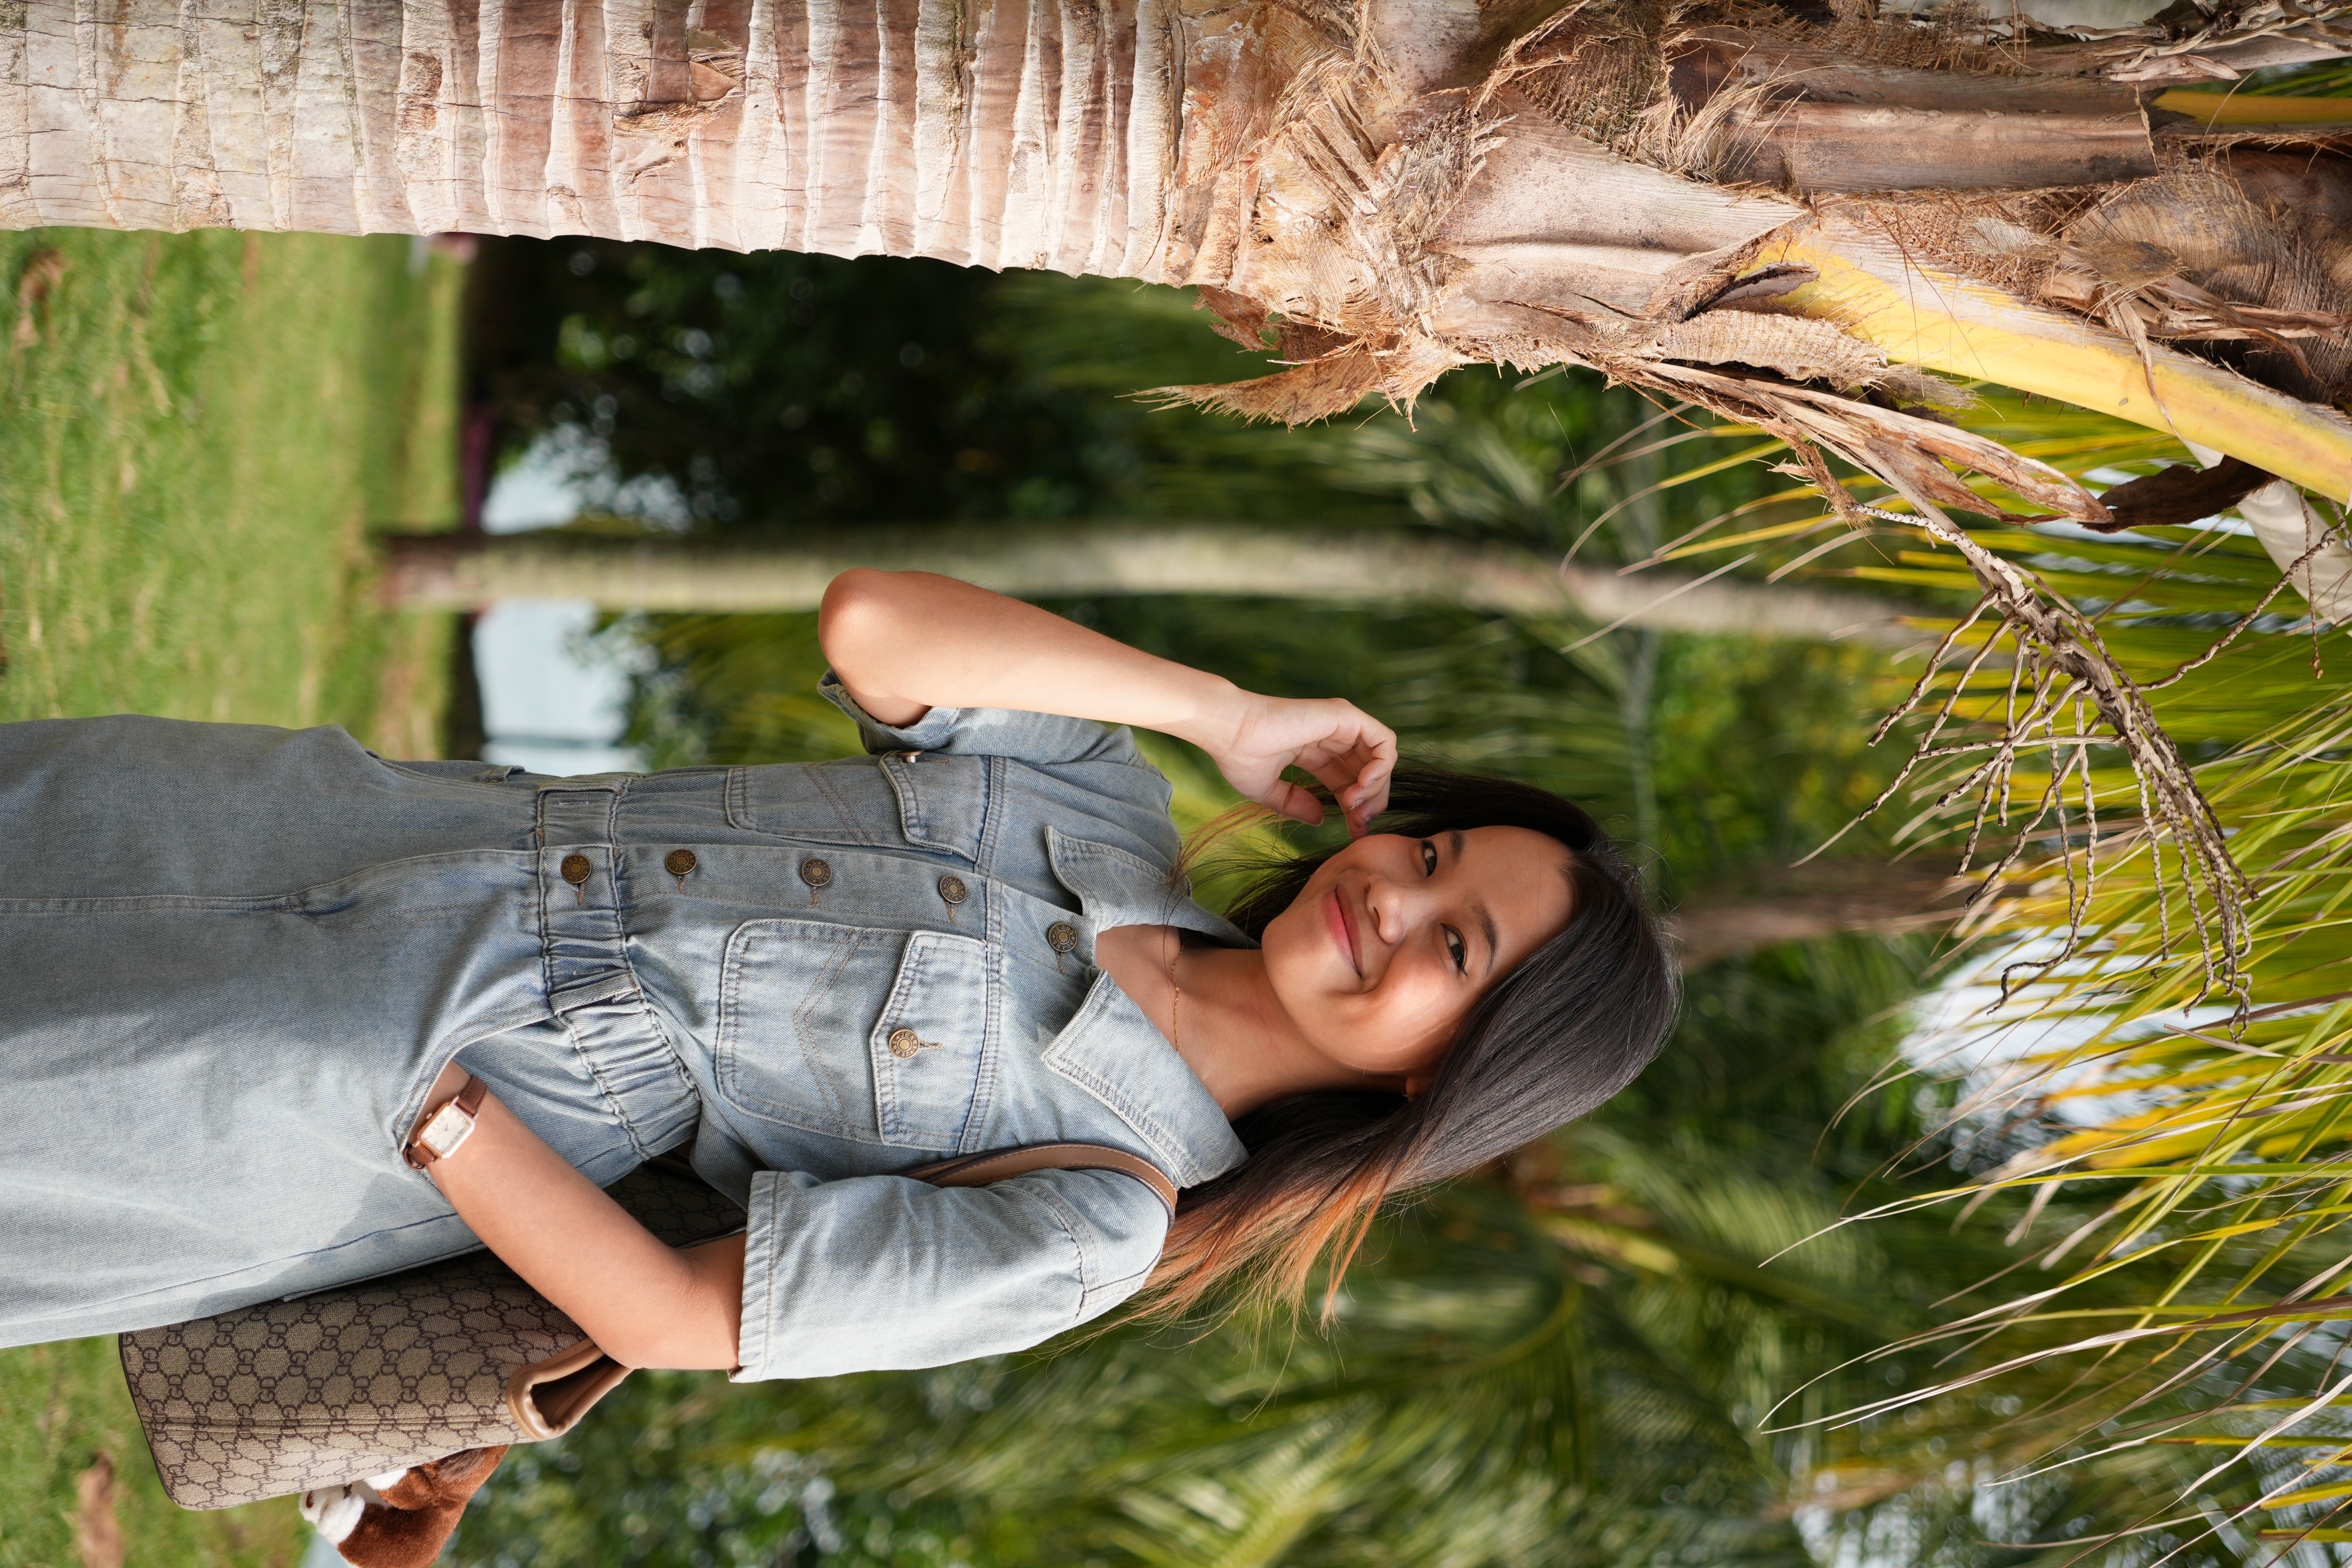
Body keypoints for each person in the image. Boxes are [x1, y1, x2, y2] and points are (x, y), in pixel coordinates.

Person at [0, 570, 1675, 1379]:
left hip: (350, 1081)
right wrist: (1224, 714)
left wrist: (425, 1117)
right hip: (335, 829)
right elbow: (875, 625)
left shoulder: (1105, 1210)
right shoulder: (1104, 800)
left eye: (1452, 950)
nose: (1391, 898)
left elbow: (679, 1319)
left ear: (1434, 1083)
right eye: (1434, 858)